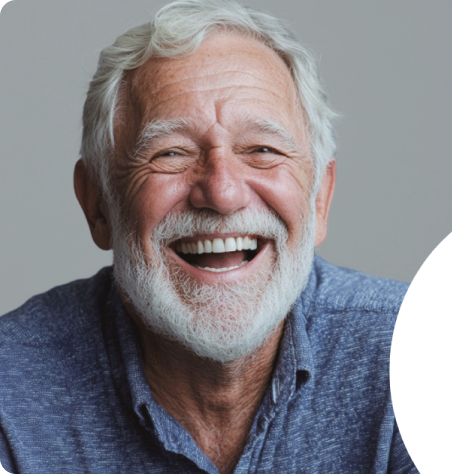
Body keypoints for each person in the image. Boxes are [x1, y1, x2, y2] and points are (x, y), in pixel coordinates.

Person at [0, 1, 417, 473]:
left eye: (262, 149)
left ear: (319, 198)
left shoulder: (428, 354)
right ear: (98, 204)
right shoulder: (8, 392)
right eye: (171, 153)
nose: (221, 192)